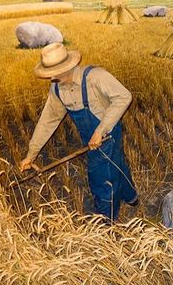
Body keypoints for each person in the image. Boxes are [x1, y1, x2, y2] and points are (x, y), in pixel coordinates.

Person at [19, 42, 138, 221]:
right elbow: (48, 120)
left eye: (53, 73)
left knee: (100, 175)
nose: (50, 78)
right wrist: (31, 154)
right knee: (116, 163)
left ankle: (106, 220)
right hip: (89, 136)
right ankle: (131, 197)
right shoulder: (57, 88)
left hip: (107, 132)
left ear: (66, 67)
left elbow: (124, 96)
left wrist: (100, 131)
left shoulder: (96, 77)